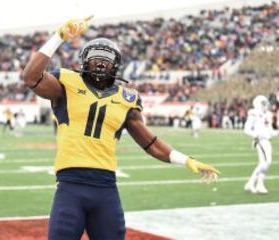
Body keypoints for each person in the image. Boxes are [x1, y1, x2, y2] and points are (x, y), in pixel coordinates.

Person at [23, 16, 220, 240]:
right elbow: (30, 77)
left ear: (116, 64)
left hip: (105, 188)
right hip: (70, 186)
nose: (100, 63)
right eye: (95, 58)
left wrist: (186, 160)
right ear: (83, 61)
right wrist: (59, 37)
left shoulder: (126, 98)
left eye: (106, 59)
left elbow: (150, 143)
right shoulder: (67, 83)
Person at [244, 95, 279, 194]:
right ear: (257, 104)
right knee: (266, 162)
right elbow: (246, 129)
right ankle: (251, 183)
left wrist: (278, 132)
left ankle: (258, 184)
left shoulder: (268, 114)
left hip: (267, 141)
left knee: (264, 163)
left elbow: (269, 131)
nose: (265, 105)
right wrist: (256, 135)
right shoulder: (254, 113)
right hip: (260, 140)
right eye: (263, 103)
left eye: (266, 103)